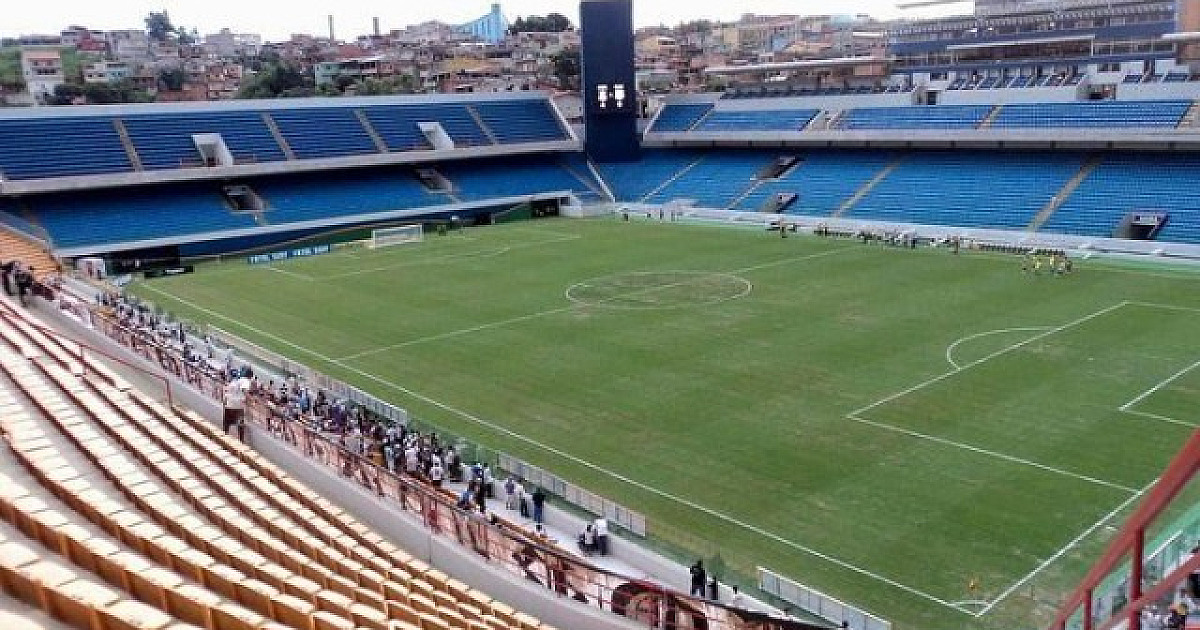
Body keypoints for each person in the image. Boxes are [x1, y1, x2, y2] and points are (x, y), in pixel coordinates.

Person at [222, 373, 251, 440]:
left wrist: (224, 405)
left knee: (226, 425)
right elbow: (245, 394)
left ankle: (224, 437)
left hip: (229, 406)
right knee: (240, 426)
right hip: (239, 408)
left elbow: (225, 397)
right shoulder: (242, 383)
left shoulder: (230, 385)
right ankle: (241, 440)